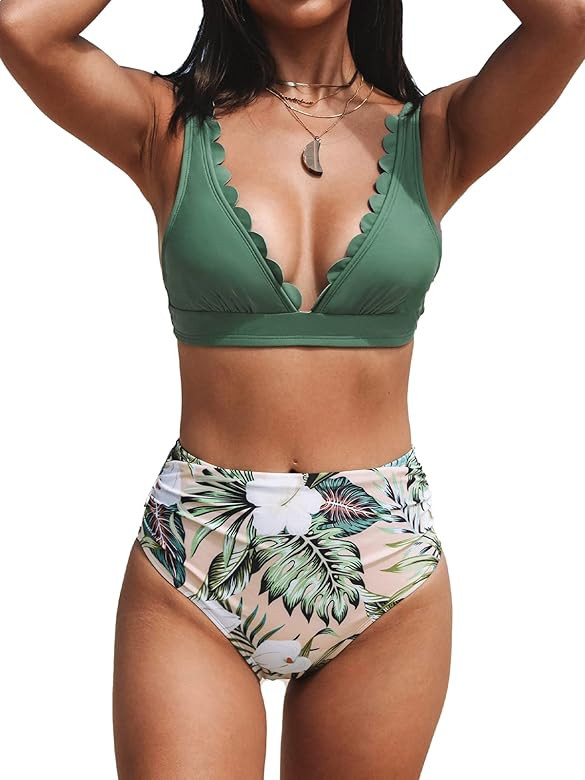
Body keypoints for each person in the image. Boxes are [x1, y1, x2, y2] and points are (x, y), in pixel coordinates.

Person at [1, 1, 583, 777]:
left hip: (381, 559)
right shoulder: (163, 125)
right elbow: (23, 28)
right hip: (196, 556)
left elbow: (565, 22)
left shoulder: (437, 134)